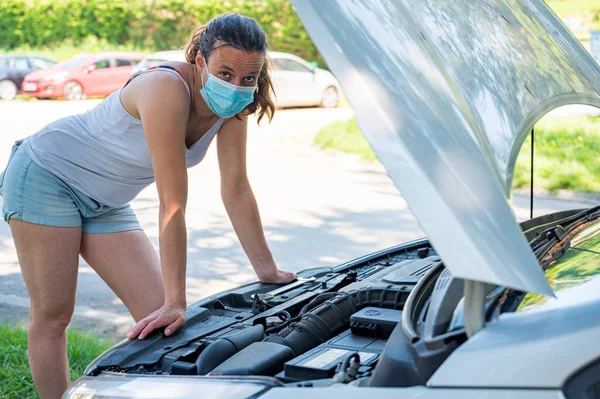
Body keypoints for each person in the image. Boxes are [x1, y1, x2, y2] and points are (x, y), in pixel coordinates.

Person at [0, 13, 297, 399]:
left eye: (248, 78)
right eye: (225, 73)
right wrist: (178, 300)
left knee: (162, 319)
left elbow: (237, 190)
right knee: (55, 313)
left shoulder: (232, 106)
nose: (237, 86)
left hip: (106, 200)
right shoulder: (164, 88)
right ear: (200, 62)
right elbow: (172, 202)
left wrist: (267, 270)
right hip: (47, 175)